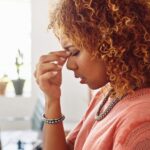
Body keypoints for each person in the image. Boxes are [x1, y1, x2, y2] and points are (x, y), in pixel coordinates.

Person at [34, 0, 150, 149]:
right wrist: (52, 100)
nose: (69, 65)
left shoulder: (140, 121)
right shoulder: (107, 94)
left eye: (74, 52)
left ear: (110, 43)